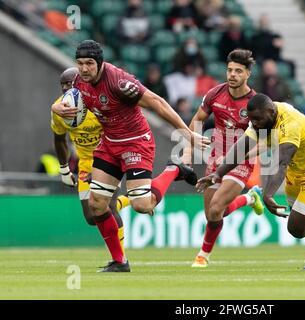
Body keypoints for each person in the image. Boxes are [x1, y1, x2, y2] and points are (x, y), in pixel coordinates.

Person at [52, 40, 210, 272]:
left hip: (136, 143)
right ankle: (120, 262)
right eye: (80, 63)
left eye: (89, 63)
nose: (84, 68)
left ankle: (173, 169)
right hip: (109, 144)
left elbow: (157, 102)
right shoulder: (78, 82)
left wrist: (187, 133)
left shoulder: (119, 82)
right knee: (96, 205)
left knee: (142, 205)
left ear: (100, 63)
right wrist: (55, 109)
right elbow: (63, 104)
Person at [196, 93, 305, 271]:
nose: (254, 123)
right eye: (251, 120)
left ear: (271, 112)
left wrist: (268, 195)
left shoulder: (290, 125)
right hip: (297, 171)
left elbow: (281, 163)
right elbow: (242, 147)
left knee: (296, 228)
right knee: (303, 224)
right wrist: (217, 174)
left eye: (257, 120)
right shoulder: (262, 117)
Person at [182, 49, 264, 268]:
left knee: (217, 207)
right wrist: (188, 152)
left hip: (241, 163)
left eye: (238, 71)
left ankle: (203, 255)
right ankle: (249, 198)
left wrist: (243, 155)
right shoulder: (215, 95)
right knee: (212, 214)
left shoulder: (256, 103)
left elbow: (266, 141)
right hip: (215, 159)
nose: (232, 75)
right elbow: (197, 120)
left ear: (248, 74)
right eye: (229, 70)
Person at [51, 67, 130, 257]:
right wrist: (64, 170)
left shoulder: (98, 103)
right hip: (86, 164)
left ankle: (120, 259)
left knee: (106, 208)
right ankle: (129, 200)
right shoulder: (59, 109)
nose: (67, 89)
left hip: (109, 158)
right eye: (63, 85)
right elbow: (59, 139)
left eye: (70, 84)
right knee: (91, 217)